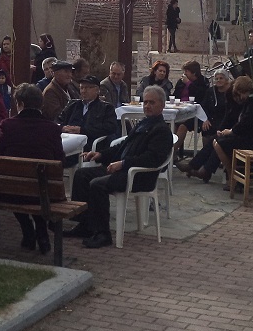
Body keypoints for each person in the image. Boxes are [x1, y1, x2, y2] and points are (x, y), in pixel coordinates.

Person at [64, 85, 174, 249]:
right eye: (145, 102)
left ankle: (103, 233)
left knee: (97, 185)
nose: (147, 106)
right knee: (81, 175)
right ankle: (85, 225)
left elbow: (152, 159)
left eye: (152, 103)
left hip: (138, 176)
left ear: (162, 105)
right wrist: (100, 155)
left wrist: (123, 164)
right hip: (122, 170)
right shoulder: (143, 124)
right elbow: (122, 146)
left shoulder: (161, 130)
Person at [0, 83, 65, 255]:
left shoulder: (8, 125)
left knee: (18, 187)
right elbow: (60, 160)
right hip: (45, 193)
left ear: (20, 104)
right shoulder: (52, 128)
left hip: (12, 191)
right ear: (41, 104)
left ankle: (28, 230)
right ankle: (41, 231)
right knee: (38, 188)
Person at [177, 69, 237, 182]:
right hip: (212, 120)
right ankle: (199, 168)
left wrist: (223, 129)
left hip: (226, 123)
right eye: (216, 78)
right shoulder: (211, 91)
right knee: (208, 131)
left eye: (221, 78)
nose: (218, 81)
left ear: (226, 80)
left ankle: (200, 169)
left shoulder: (231, 93)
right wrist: (205, 119)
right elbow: (203, 107)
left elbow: (230, 113)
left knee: (217, 141)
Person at [58, 75, 118, 152]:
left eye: (88, 88)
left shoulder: (106, 108)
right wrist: (63, 128)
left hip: (91, 144)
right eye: (81, 88)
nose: (84, 91)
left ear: (97, 90)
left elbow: (110, 128)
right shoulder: (72, 105)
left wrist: (82, 130)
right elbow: (58, 120)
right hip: (69, 141)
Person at [172, 60, 213, 154]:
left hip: (194, 113)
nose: (184, 73)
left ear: (193, 72)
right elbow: (175, 95)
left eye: (186, 71)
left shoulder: (202, 82)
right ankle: (173, 152)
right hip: (180, 110)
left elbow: (200, 96)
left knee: (183, 126)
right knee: (172, 125)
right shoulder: (181, 82)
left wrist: (189, 84)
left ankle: (171, 152)